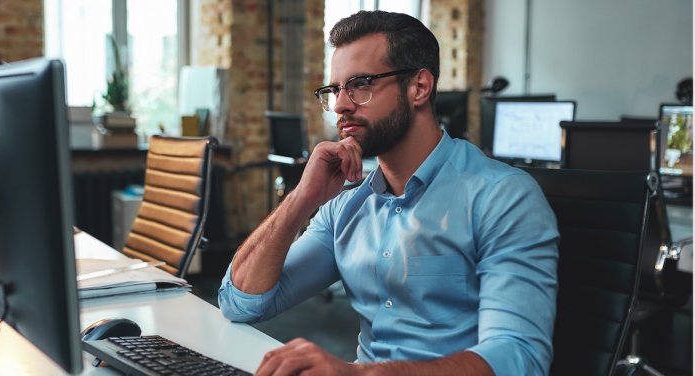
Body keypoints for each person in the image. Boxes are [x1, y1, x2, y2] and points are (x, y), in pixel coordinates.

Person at [219, 10, 559, 376]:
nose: (340, 105)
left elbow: (518, 358)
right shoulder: (347, 206)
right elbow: (241, 303)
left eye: (360, 84)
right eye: (334, 90)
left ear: (419, 87)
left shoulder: (503, 198)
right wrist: (301, 198)